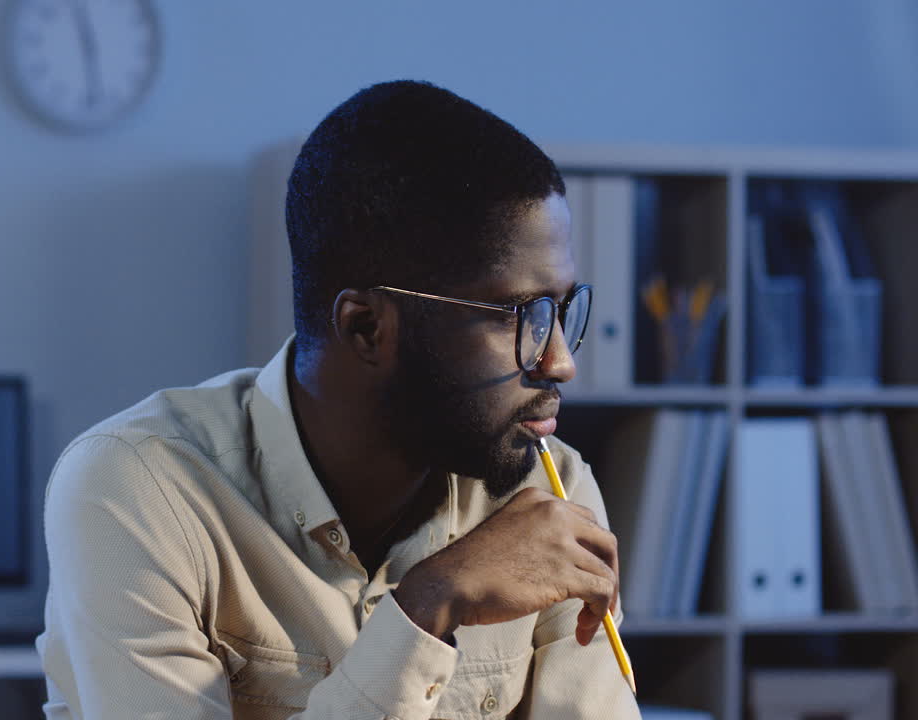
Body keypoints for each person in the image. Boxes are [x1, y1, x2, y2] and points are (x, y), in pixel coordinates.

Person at [38, 79, 640, 719]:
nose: (561, 362)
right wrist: (429, 603)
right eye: (516, 315)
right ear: (366, 328)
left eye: (560, 310)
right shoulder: (138, 489)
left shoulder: (551, 491)